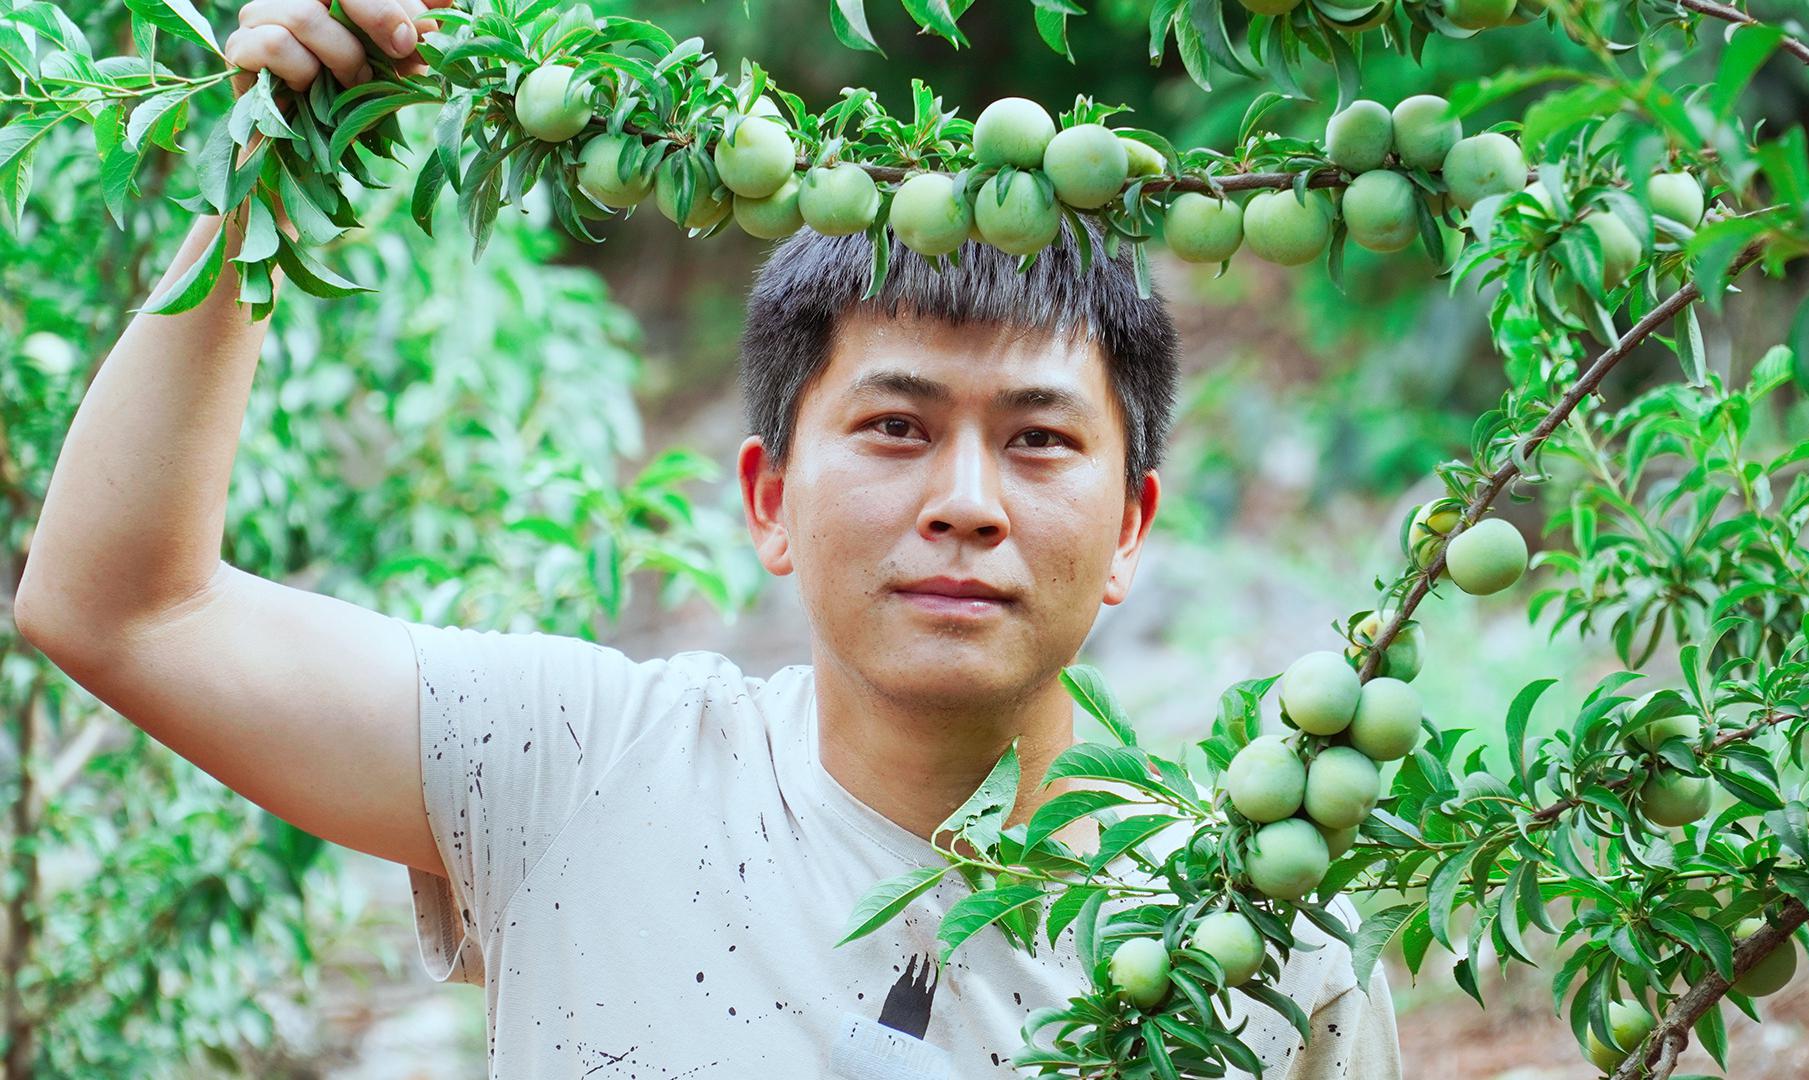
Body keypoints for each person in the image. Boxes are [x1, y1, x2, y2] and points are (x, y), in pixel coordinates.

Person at [13, 1, 1404, 1076]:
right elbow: (122, 609)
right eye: (896, 426)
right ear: (768, 499)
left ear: (1132, 526)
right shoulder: (579, 767)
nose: (968, 500)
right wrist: (264, 184)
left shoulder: (1265, 939)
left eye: (1039, 439)